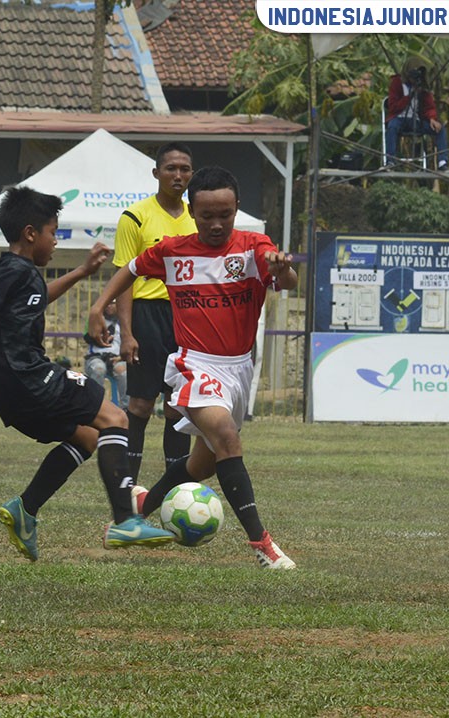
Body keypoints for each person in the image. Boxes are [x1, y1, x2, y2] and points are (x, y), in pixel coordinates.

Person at [0, 185, 173, 561]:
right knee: (117, 417)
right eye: (54, 232)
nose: (55, 241)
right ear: (31, 234)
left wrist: (82, 271)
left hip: (10, 394)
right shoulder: (11, 272)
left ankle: (26, 509)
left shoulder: (22, 275)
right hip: (29, 377)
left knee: (87, 438)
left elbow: (36, 299)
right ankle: (125, 522)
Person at [88, 166, 299, 570]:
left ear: (237, 208)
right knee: (226, 438)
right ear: (192, 211)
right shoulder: (173, 251)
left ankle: (137, 512)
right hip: (194, 364)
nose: (216, 224)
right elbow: (131, 269)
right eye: (207, 216)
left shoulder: (254, 247)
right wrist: (100, 307)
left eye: (225, 214)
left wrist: (281, 267)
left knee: (201, 465)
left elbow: (285, 279)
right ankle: (262, 545)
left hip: (238, 370)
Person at [113, 142, 196, 482]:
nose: (178, 175)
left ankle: (174, 489)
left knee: (180, 406)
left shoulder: (199, 218)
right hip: (148, 317)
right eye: (171, 168)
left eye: (185, 169)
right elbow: (124, 278)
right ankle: (128, 488)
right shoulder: (135, 217)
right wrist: (128, 333)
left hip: (188, 317)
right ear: (156, 173)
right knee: (141, 405)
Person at [384, 57, 449, 172]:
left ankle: (443, 162)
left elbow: (429, 106)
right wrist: (408, 97)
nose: (413, 79)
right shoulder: (397, 83)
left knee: (440, 129)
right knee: (392, 127)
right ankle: (390, 161)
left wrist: (432, 118)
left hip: (416, 120)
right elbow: (393, 106)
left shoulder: (422, 86)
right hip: (399, 118)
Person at [82, 299, 127, 407]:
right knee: (98, 369)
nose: (109, 306)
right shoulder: (95, 319)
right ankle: (95, 406)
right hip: (95, 357)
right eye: (107, 304)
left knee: (123, 372)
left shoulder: (124, 321)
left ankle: (126, 408)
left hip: (117, 358)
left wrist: (121, 357)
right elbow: (87, 337)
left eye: (112, 303)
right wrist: (100, 338)